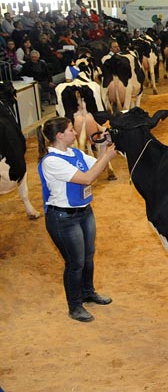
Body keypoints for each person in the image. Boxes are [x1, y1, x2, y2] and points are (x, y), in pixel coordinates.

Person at [37, 117, 118, 322]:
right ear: (59, 136)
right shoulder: (52, 161)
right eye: (71, 130)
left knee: (88, 256)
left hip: (83, 212)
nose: (75, 133)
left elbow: (95, 167)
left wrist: (101, 147)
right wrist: (108, 155)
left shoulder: (74, 153)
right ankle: (74, 306)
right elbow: (87, 178)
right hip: (63, 218)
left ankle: (88, 292)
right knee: (75, 263)